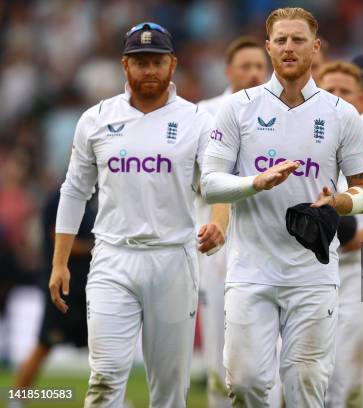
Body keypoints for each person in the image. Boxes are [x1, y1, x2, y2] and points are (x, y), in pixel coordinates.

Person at [200, 7, 363, 406]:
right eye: (281, 40)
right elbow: (210, 185)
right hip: (250, 269)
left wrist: (340, 203)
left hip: (312, 273)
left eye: (298, 40)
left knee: (306, 389)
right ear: (268, 48)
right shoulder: (237, 108)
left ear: (315, 47)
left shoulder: (341, 114)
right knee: (244, 384)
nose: (289, 47)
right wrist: (253, 182)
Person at [48, 22, 217, 408]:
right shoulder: (96, 119)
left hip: (174, 257)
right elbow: (74, 191)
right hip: (113, 258)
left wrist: (219, 223)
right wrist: (59, 263)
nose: (149, 71)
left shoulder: (197, 120)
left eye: (156, 61)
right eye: (140, 62)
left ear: (173, 65)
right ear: (125, 66)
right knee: (105, 378)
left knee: (170, 389)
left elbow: (213, 184)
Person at [195, 35, 269, 407]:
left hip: (266, 238)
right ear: (229, 71)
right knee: (218, 343)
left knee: (266, 347)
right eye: (246, 66)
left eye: (260, 66)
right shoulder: (203, 113)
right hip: (216, 242)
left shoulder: (281, 113)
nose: (254, 73)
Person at [318, 61, 363, 407]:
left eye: (346, 92)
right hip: (304, 269)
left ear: (361, 98)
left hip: (358, 272)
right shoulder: (300, 141)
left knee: (349, 378)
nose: (338, 98)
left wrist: (358, 228)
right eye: (331, 90)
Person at [10, 189, 95, 408]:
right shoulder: (60, 197)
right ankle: (16, 400)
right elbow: (61, 238)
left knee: (103, 348)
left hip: (87, 288)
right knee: (44, 345)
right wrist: (96, 248)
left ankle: (113, 400)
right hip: (63, 288)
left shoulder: (91, 198)